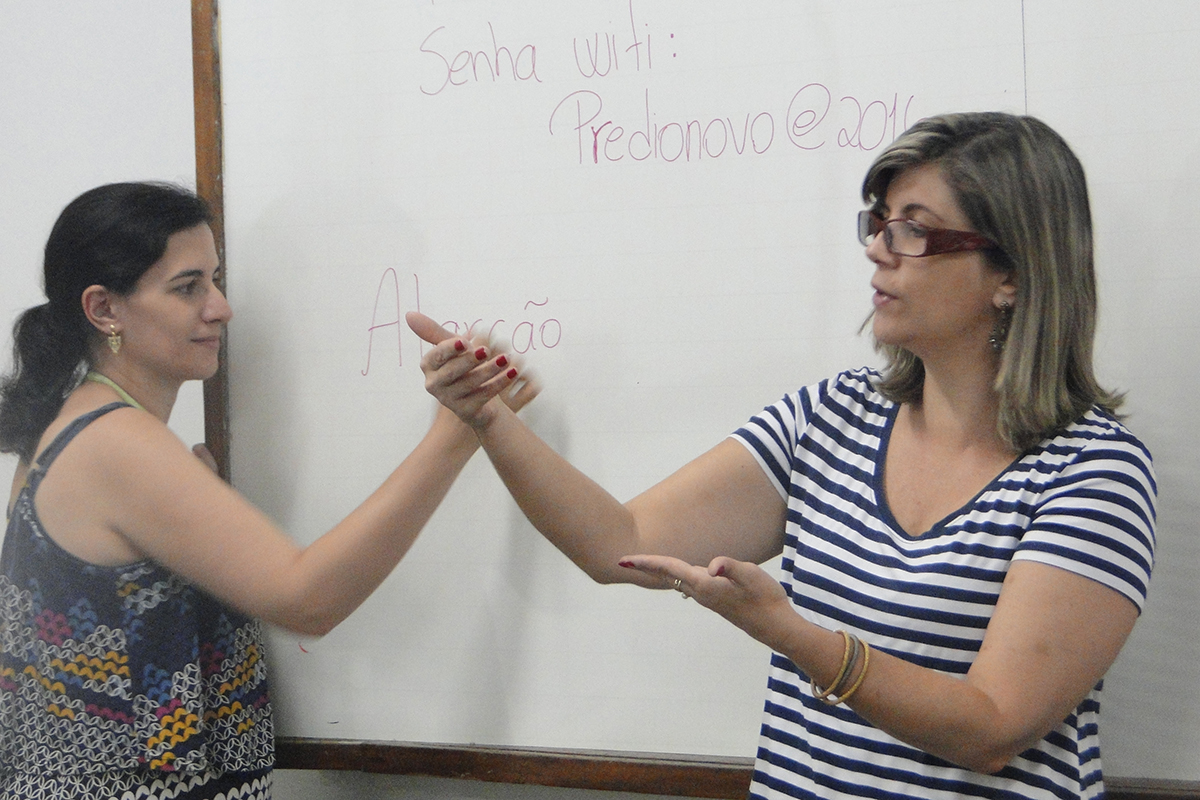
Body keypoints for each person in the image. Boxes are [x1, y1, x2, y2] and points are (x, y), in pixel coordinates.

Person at [408, 112, 1156, 800]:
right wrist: (487, 417)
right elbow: (620, 544)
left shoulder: (1093, 473)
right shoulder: (832, 417)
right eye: (878, 223)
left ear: (1012, 274)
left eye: (914, 231)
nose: (878, 248)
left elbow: (992, 728)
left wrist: (790, 634)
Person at [0, 182, 536, 800]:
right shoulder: (115, 442)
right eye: (187, 287)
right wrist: (454, 436)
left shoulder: (85, 424)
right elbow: (308, 600)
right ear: (104, 310)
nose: (221, 307)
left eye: (215, 280)